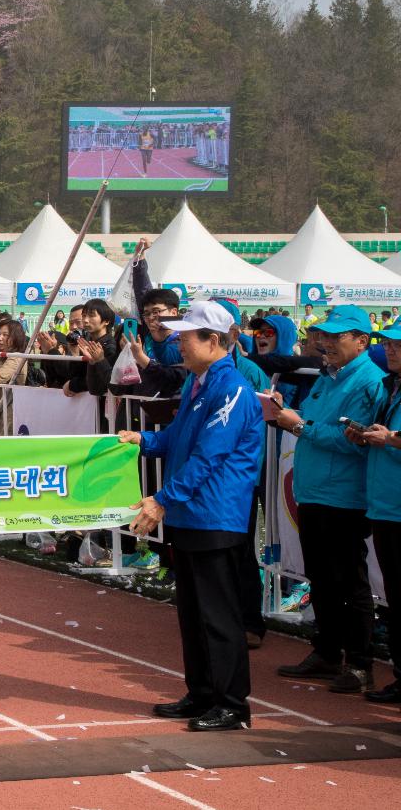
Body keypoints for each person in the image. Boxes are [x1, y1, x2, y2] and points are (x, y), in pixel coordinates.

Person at [118, 301, 265, 731]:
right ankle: (202, 693)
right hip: (190, 513)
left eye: (186, 337)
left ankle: (232, 705)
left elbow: (208, 457)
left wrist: (161, 499)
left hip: (215, 515)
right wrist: (140, 439)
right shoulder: (200, 384)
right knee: (192, 612)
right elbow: (179, 438)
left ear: (213, 341)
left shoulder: (232, 389)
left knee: (218, 615)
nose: (179, 343)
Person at [269, 306, 386, 693]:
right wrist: (286, 412)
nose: (325, 342)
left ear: (361, 341)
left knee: (349, 580)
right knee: (321, 577)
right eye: (324, 335)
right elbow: (316, 421)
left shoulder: (370, 381)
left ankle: (359, 663)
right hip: (314, 492)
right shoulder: (328, 377)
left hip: (344, 497)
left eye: (336, 337)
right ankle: (327, 651)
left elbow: (354, 441)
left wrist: (299, 425)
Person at [346, 323, 401, 704]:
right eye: (390, 342)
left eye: (398, 344)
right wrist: (367, 435)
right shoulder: (392, 385)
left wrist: (391, 439)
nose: (391, 349)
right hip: (385, 506)